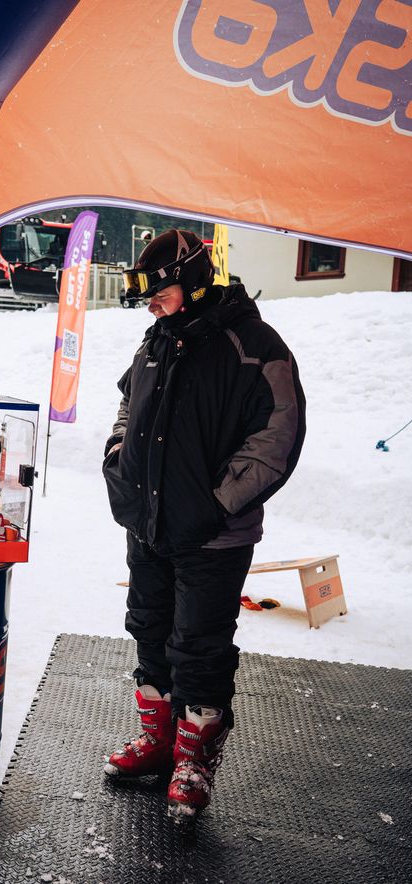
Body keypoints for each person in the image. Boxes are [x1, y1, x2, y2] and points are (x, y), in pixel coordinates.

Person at [102, 229, 306, 820]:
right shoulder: (158, 338)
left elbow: (277, 438)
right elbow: (127, 402)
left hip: (215, 535)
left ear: (191, 280)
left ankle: (193, 759)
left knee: (201, 648)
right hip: (149, 524)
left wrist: (216, 504)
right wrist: (119, 460)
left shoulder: (255, 345)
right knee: (149, 628)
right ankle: (160, 741)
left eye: (158, 289)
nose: (150, 302)